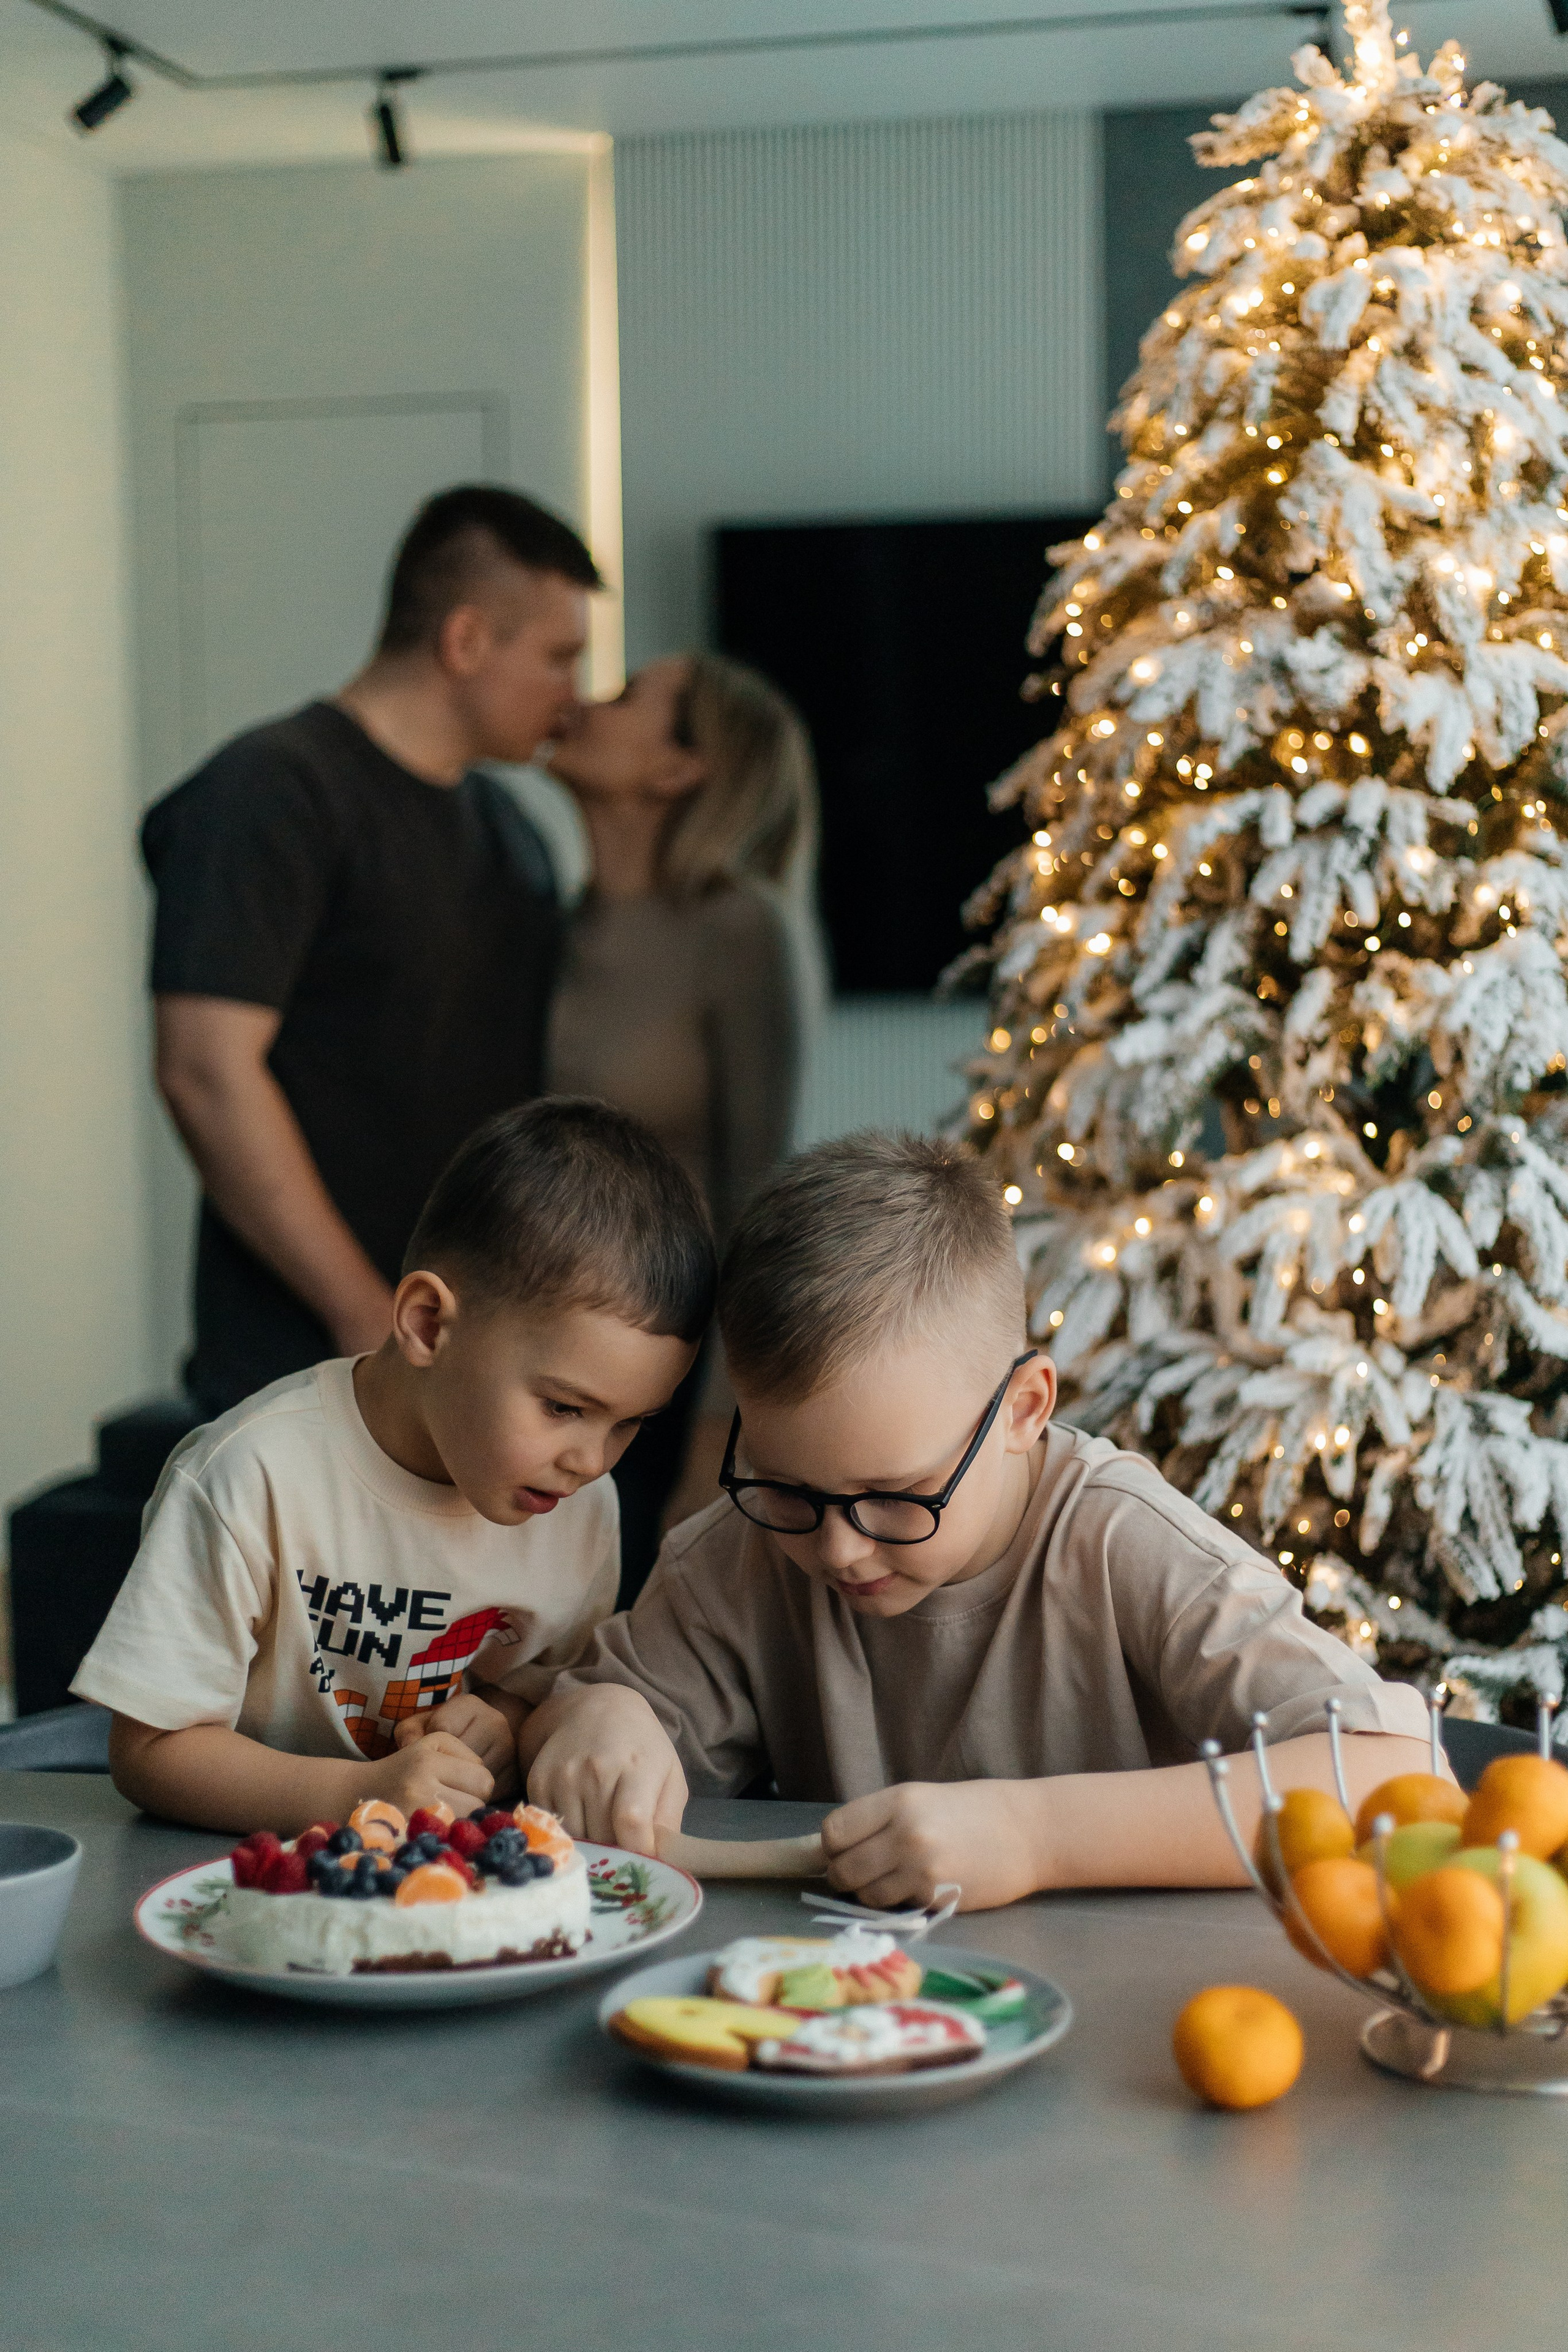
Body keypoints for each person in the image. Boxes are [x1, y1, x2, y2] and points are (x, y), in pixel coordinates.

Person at [518, 1131, 1434, 1910]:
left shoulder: (1119, 1539)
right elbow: (563, 1724)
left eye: (895, 1494)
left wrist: (1035, 1838)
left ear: (1026, 1410)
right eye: (785, 1486)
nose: (836, 1546)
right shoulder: (747, 1551)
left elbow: (1397, 1779)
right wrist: (596, 1720)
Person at [72, 1099, 715, 1836]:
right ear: (427, 1325)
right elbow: (151, 1751)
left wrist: (498, 1727)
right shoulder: (250, 1476)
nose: (591, 1460)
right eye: (563, 1407)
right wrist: (360, 1793)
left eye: (629, 1422)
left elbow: (539, 1691)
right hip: (248, 1882)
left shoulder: (579, 1505)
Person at [145, 483, 601, 1417]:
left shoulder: (515, 833)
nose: (574, 696)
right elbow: (204, 1072)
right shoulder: (273, 790)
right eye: (559, 658)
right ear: (466, 640)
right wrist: (362, 1311)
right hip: (301, 1364)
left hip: (475, 1365)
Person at [545, 650, 824, 1597]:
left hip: (661, 1391)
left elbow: (759, 1196)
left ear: (678, 770)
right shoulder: (552, 923)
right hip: (535, 1361)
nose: (581, 702)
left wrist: (716, 1440)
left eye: (624, 697)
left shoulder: (739, 930)